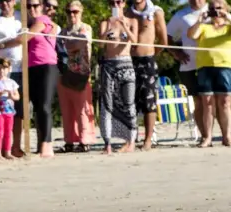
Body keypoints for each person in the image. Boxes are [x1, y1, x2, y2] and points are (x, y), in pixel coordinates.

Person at [188, 0, 231, 147]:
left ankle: (227, 136)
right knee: (207, 103)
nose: (216, 11)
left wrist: (229, 17)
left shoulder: (230, 27)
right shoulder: (204, 27)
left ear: (226, 9)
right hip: (205, 66)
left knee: (225, 102)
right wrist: (199, 20)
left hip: (226, 66)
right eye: (212, 8)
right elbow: (192, 35)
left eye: (219, 8)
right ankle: (207, 137)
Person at [9, 0, 59, 157]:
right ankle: (40, 144)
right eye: (29, 6)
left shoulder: (41, 20)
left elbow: (23, 39)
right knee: (36, 107)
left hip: (47, 65)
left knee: (44, 105)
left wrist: (0, 46)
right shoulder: (28, 22)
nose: (32, 8)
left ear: (42, 7)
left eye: (35, 5)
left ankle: (47, 144)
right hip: (31, 67)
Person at [0, 0, 24, 158]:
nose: (5, 4)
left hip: (21, 69)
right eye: (1, 1)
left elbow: (24, 38)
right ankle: (0, 150)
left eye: (8, 0)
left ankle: (15, 146)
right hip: (2, 73)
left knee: (18, 111)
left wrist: (4, 45)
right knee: (1, 112)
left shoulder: (22, 18)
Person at [167, 0, 210, 145]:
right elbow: (167, 36)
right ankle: (205, 135)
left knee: (212, 101)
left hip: (212, 63)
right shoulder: (181, 15)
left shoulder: (215, 9)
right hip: (190, 65)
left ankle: (221, 134)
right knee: (198, 102)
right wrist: (176, 53)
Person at [126, 0, 166, 151]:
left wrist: (150, 54)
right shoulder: (127, 12)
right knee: (130, 100)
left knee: (149, 100)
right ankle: (130, 138)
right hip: (129, 60)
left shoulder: (156, 12)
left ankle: (148, 140)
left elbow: (163, 41)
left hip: (147, 60)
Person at [99, 0, 138, 153]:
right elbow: (101, 44)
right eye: (113, 2)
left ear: (124, 3)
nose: (116, 4)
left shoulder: (132, 21)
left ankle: (131, 141)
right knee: (107, 104)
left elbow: (135, 41)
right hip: (109, 65)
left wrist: (124, 26)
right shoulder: (105, 23)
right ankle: (107, 143)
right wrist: (109, 27)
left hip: (126, 64)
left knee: (129, 102)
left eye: (120, 1)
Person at [57, 0, 94, 153]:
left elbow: (79, 43)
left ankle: (84, 140)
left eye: (75, 11)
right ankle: (69, 140)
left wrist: (66, 44)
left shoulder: (86, 28)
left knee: (82, 109)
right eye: (69, 11)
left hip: (80, 74)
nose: (72, 14)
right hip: (65, 73)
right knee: (66, 109)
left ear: (81, 12)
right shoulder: (63, 31)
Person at [0, 57, 19, 160]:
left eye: (4, 69)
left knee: (8, 131)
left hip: (10, 110)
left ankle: (7, 152)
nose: (1, 71)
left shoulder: (12, 82)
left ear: (9, 69)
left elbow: (17, 97)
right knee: (0, 131)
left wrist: (11, 95)